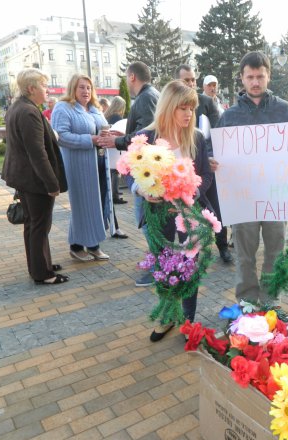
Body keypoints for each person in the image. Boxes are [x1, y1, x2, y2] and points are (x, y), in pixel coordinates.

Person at [127, 80, 214, 341]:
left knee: (189, 266)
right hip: (157, 214)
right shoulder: (147, 137)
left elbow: (206, 176)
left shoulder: (196, 137)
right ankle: (166, 317)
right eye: (183, 108)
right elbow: (132, 175)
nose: (189, 114)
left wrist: (193, 191)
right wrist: (141, 191)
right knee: (165, 267)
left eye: (192, 108)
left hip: (189, 213)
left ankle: (187, 321)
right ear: (168, 107)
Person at [216, 51, 288, 305]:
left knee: (276, 252)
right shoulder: (229, 116)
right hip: (243, 198)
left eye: (260, 76)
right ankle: (246, 300)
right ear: (242, 79)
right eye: (250, 77)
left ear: (269, 77)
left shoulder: (287, 112)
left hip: (277, 196)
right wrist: (213, 161)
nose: (255, 82)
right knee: (245, 254)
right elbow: (215, 150)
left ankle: (270, 300)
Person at [2, 68, 68, 283]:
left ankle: (39, 264)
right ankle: (43, 273)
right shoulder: (29, 112)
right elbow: (37, 153)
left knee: (33, 224)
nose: (47, 91)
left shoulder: (18, 107)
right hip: (34, 179)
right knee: (40, 225)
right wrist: (52, 183)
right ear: (31, 88)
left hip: (24, 177)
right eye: (44, 86)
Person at [97, 61, 160, 287]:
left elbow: (146, 136)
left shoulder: (145, 98)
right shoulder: (150, 96)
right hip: (148, 168)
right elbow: (143, 132)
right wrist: (123, 135)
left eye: (126, 77)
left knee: (146, 221)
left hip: (147, 171)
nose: (125, 81)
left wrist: (117, 140)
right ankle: (158, 261)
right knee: (147, 220)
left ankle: (159, 267)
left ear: (132, 77)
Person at [175, 65, 233, 264]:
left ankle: (223, 246)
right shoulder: (171, 106)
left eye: (192, 80)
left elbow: (219, 133)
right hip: (183, 174)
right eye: (186, 80)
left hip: (208, 167)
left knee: (216, 208)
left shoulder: (207, 102)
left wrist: (209, 156)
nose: (190, 83)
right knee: (187, 214)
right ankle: (190, 250)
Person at [51, 74, 110, 262]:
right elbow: (60, 136)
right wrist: (89, 139)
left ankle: (92, 245)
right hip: (79, 165)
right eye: (81, 87)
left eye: (89, 88)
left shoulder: (94, 108)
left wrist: (109, 134)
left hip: (98, 161)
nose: (86, 91)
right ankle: (77, 246)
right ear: (73, 89)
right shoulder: (63, 107)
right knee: (81, 205)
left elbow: (100, 129)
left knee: (96, 204)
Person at [104, 96, 128, 206]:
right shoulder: (118, 117)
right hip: (116, 146)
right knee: (116, 172)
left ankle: (111, 194)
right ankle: (115, 195)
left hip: (107, 146)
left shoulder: (106, 115)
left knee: (111, 171)